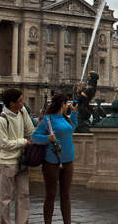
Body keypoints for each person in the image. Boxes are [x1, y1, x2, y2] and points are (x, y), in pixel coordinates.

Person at [32, 94, 78, 224]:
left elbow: (72, 129)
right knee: (51, 195)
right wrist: (48, 138)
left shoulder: (65, 118)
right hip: (52, 162)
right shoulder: (48, 119)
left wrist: (74, 113)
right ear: (62, 104)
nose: (67, 106)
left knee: (66, 195)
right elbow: (34, 137)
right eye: (66, 103)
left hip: (68, 161)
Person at [0, 88, 35, 224]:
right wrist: (23, 141)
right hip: (7, 162)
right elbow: (3, 144)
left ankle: (22, 222)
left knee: (24, 195)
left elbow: (30, 130)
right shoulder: (2, 120)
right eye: (20, 101)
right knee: (5, 198)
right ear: (11, 103)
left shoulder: (22, 111)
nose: (22, 103)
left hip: (22, 160)